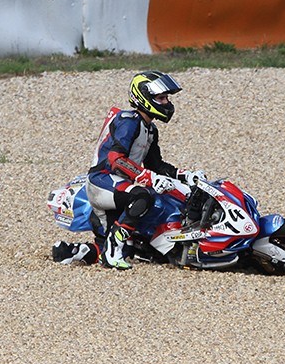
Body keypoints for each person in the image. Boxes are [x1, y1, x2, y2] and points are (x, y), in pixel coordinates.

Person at [52, 70, 205, 270]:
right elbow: (115, 158)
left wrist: (184, 175)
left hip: (119, 184)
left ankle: (72, 251)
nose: (167, 102)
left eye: (167, 98)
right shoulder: (128, 121)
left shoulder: (150, 129)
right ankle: (113, 247)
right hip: (102, 180)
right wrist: (147, 177)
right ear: (144, 97)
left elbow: (156, 165)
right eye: (161, 98)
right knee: (143, 196)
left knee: (125, 250)